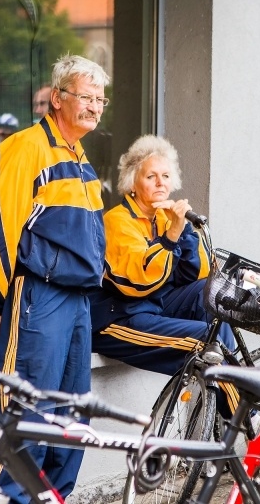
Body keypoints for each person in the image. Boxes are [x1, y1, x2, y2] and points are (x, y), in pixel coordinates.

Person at [0, 54, 109, 504]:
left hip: (77, 302)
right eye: (86, 97)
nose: (94, 107)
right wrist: (3, 301)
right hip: (40, 297)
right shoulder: (26, 146)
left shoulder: (80, 156)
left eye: (100, 100)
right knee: (26, 416)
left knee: (71, 420)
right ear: (57, 97)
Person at [89, 135, 236, 380]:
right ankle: (241, 400)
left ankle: (233, 393)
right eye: (151, 176)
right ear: (132, 183)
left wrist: (184, 229)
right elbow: (140, 281)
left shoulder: (164, 218)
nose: (160, 183)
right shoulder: (117, 221)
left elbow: (196, 274)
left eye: (165, 176)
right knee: (205, 337)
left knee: (210, 297)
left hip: (154, 307)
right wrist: (171, 236)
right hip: (118, 319)